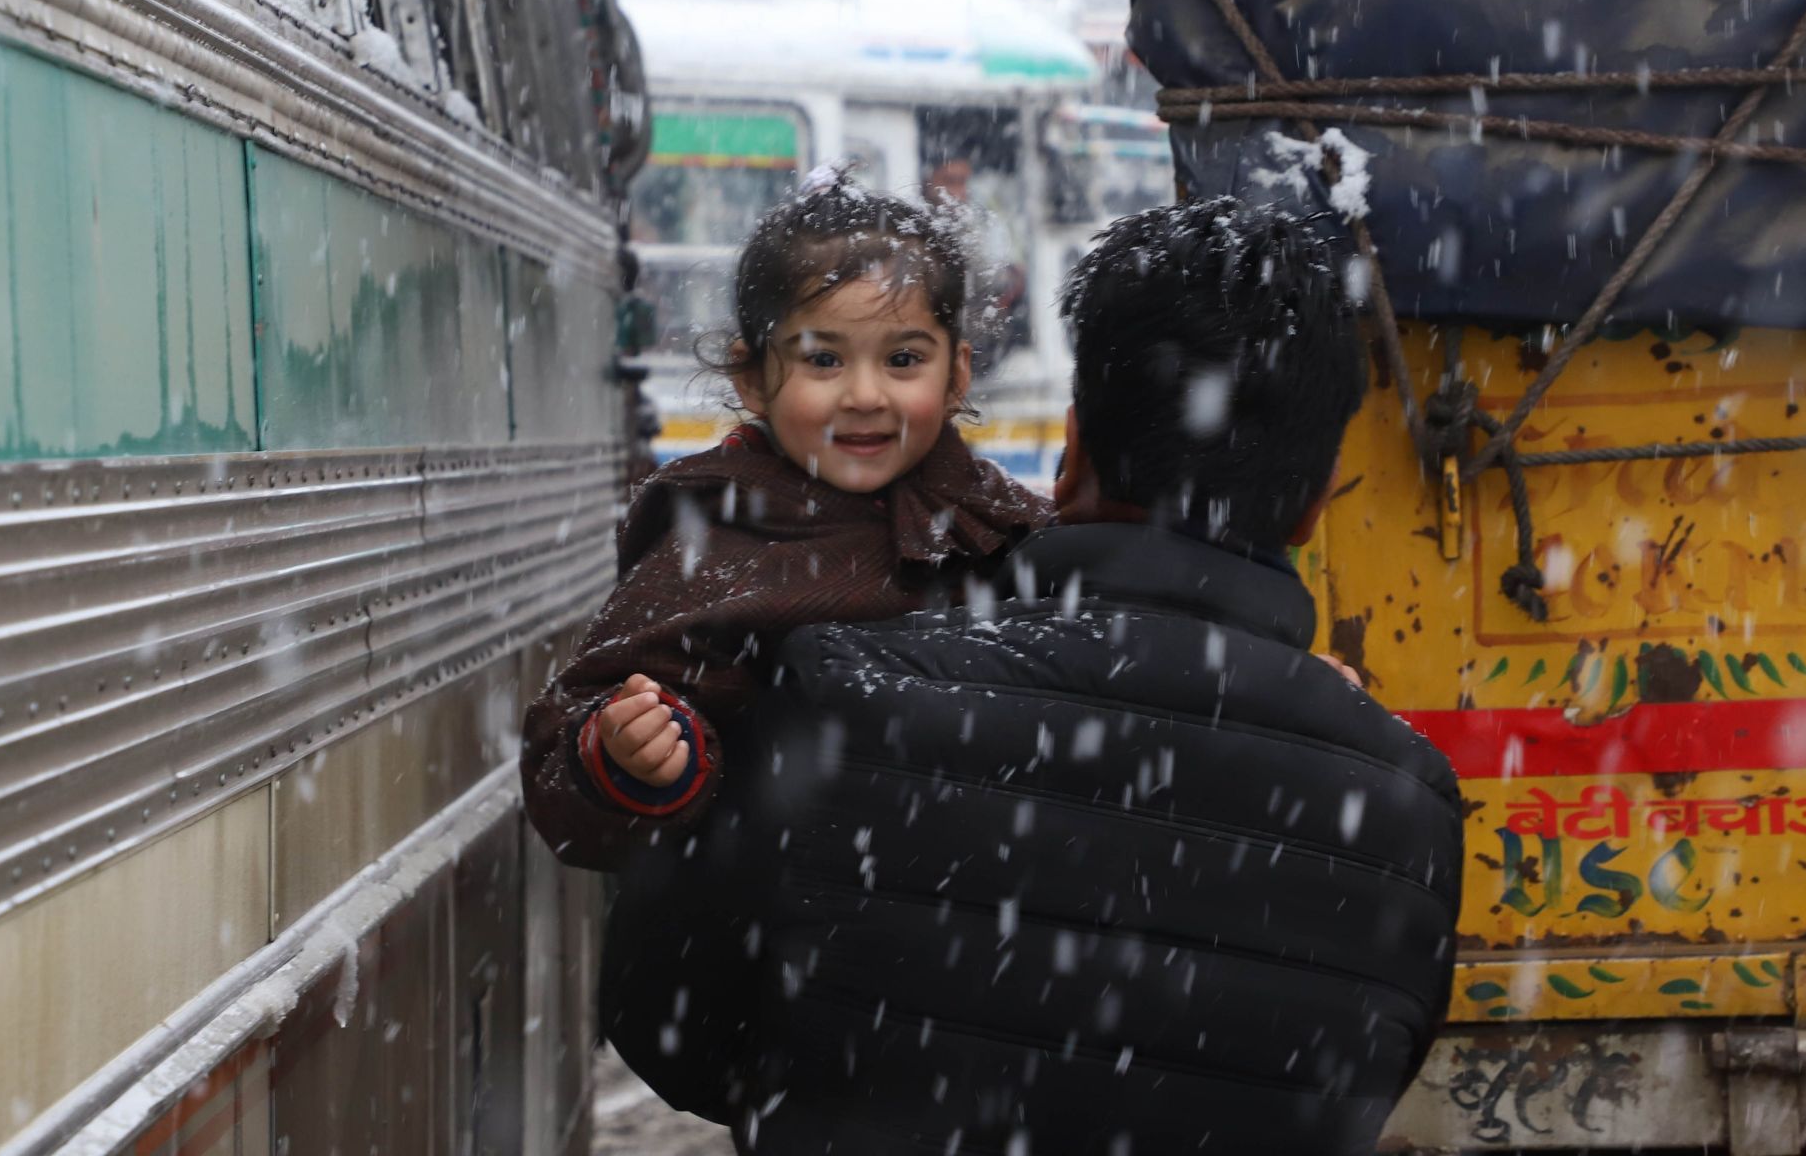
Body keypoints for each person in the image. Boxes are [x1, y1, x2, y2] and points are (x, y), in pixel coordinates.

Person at [717, 198, 1465, 1154]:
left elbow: (682, 1018)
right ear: (1317, 502)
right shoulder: (1404, 804)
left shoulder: (844, 697)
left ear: (1070, 452)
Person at [518, 172, 1052, 1108]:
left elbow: (1114, 666)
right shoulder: (714, 545)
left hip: (988, 994)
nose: (865, 397)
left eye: (904, 359)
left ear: (958, 373)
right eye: (821, 360)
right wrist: (632, 752)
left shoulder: (1007, 532)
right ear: (750, 376)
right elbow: (573, 741)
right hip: (795, 1003)